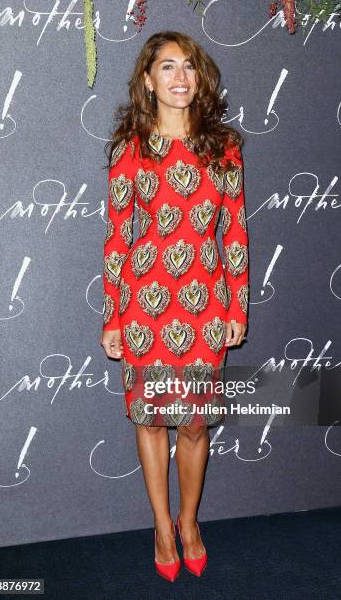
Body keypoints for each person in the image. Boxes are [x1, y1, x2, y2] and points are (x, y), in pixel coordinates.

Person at [100, 31, 249, 582]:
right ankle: (161, 526)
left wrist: (238, 307)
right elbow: (118, 237)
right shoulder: (130, 148)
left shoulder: (223, 147)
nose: (180, 77)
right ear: (148, 80)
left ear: (199, 77)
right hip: (144, 306)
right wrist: (113, 315)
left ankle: (190, 522)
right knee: (151, 421)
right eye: (167, 67)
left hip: (206, 307)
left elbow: (235, 232)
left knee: (192, 425)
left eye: (188, 66)